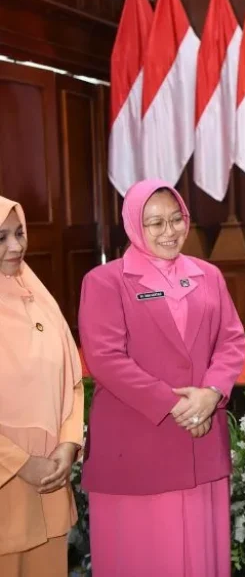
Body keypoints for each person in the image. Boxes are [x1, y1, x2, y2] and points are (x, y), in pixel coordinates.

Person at [78, 179, 245, 576]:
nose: (169, 232)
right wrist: (176, 404)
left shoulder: (209, 275)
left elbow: (231, 339)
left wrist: (211, 393)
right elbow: (105, 359)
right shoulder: (105, 282)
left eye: (175, 219)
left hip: (200, 440)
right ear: (134, 226)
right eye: (155, 223)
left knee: (202, 556)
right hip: (137, 448)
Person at [0, 196, 84, 577]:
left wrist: (69, 443)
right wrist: (19, 464)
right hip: (8, 487)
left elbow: (72, 379)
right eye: (0, 238)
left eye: (19, 234)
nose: (16, 247)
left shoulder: (40, 301)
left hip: (49, 480)